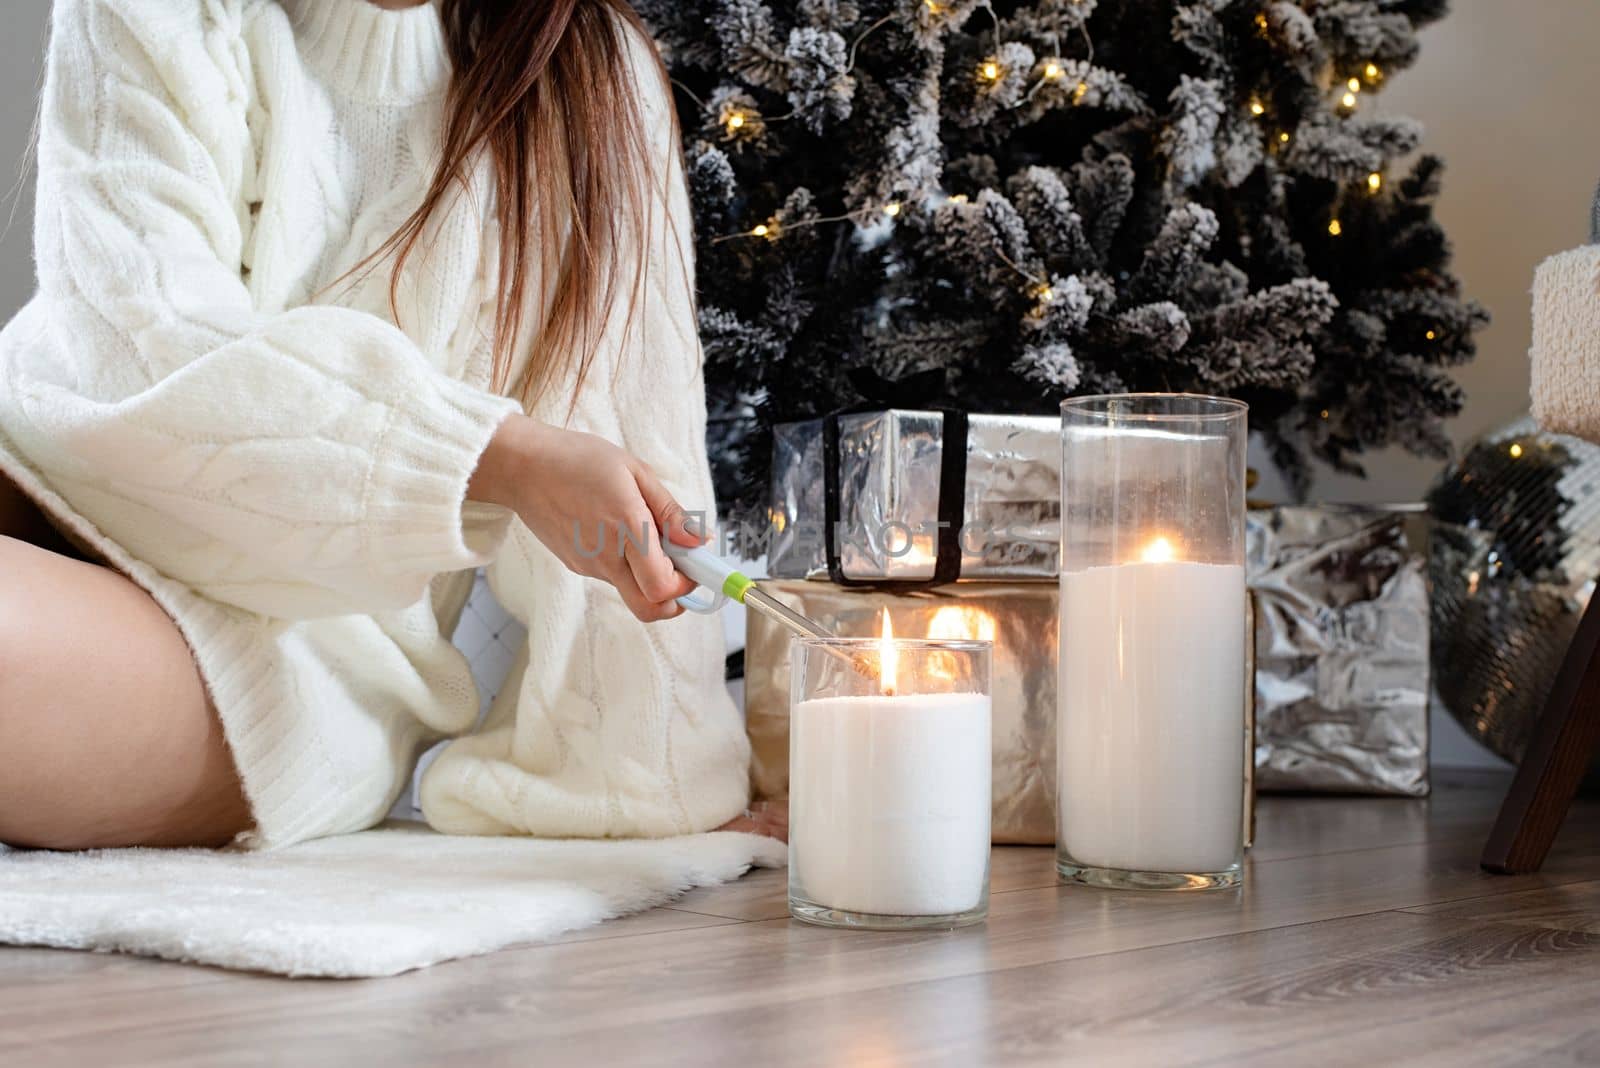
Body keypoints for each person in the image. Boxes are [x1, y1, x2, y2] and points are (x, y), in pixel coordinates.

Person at [0, 0, 778, 851]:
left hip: (284, 646)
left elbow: (635, 462)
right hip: (38, 477)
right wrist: (491, 455)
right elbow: (136, 343)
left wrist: (660, 779)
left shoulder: (586, 72)